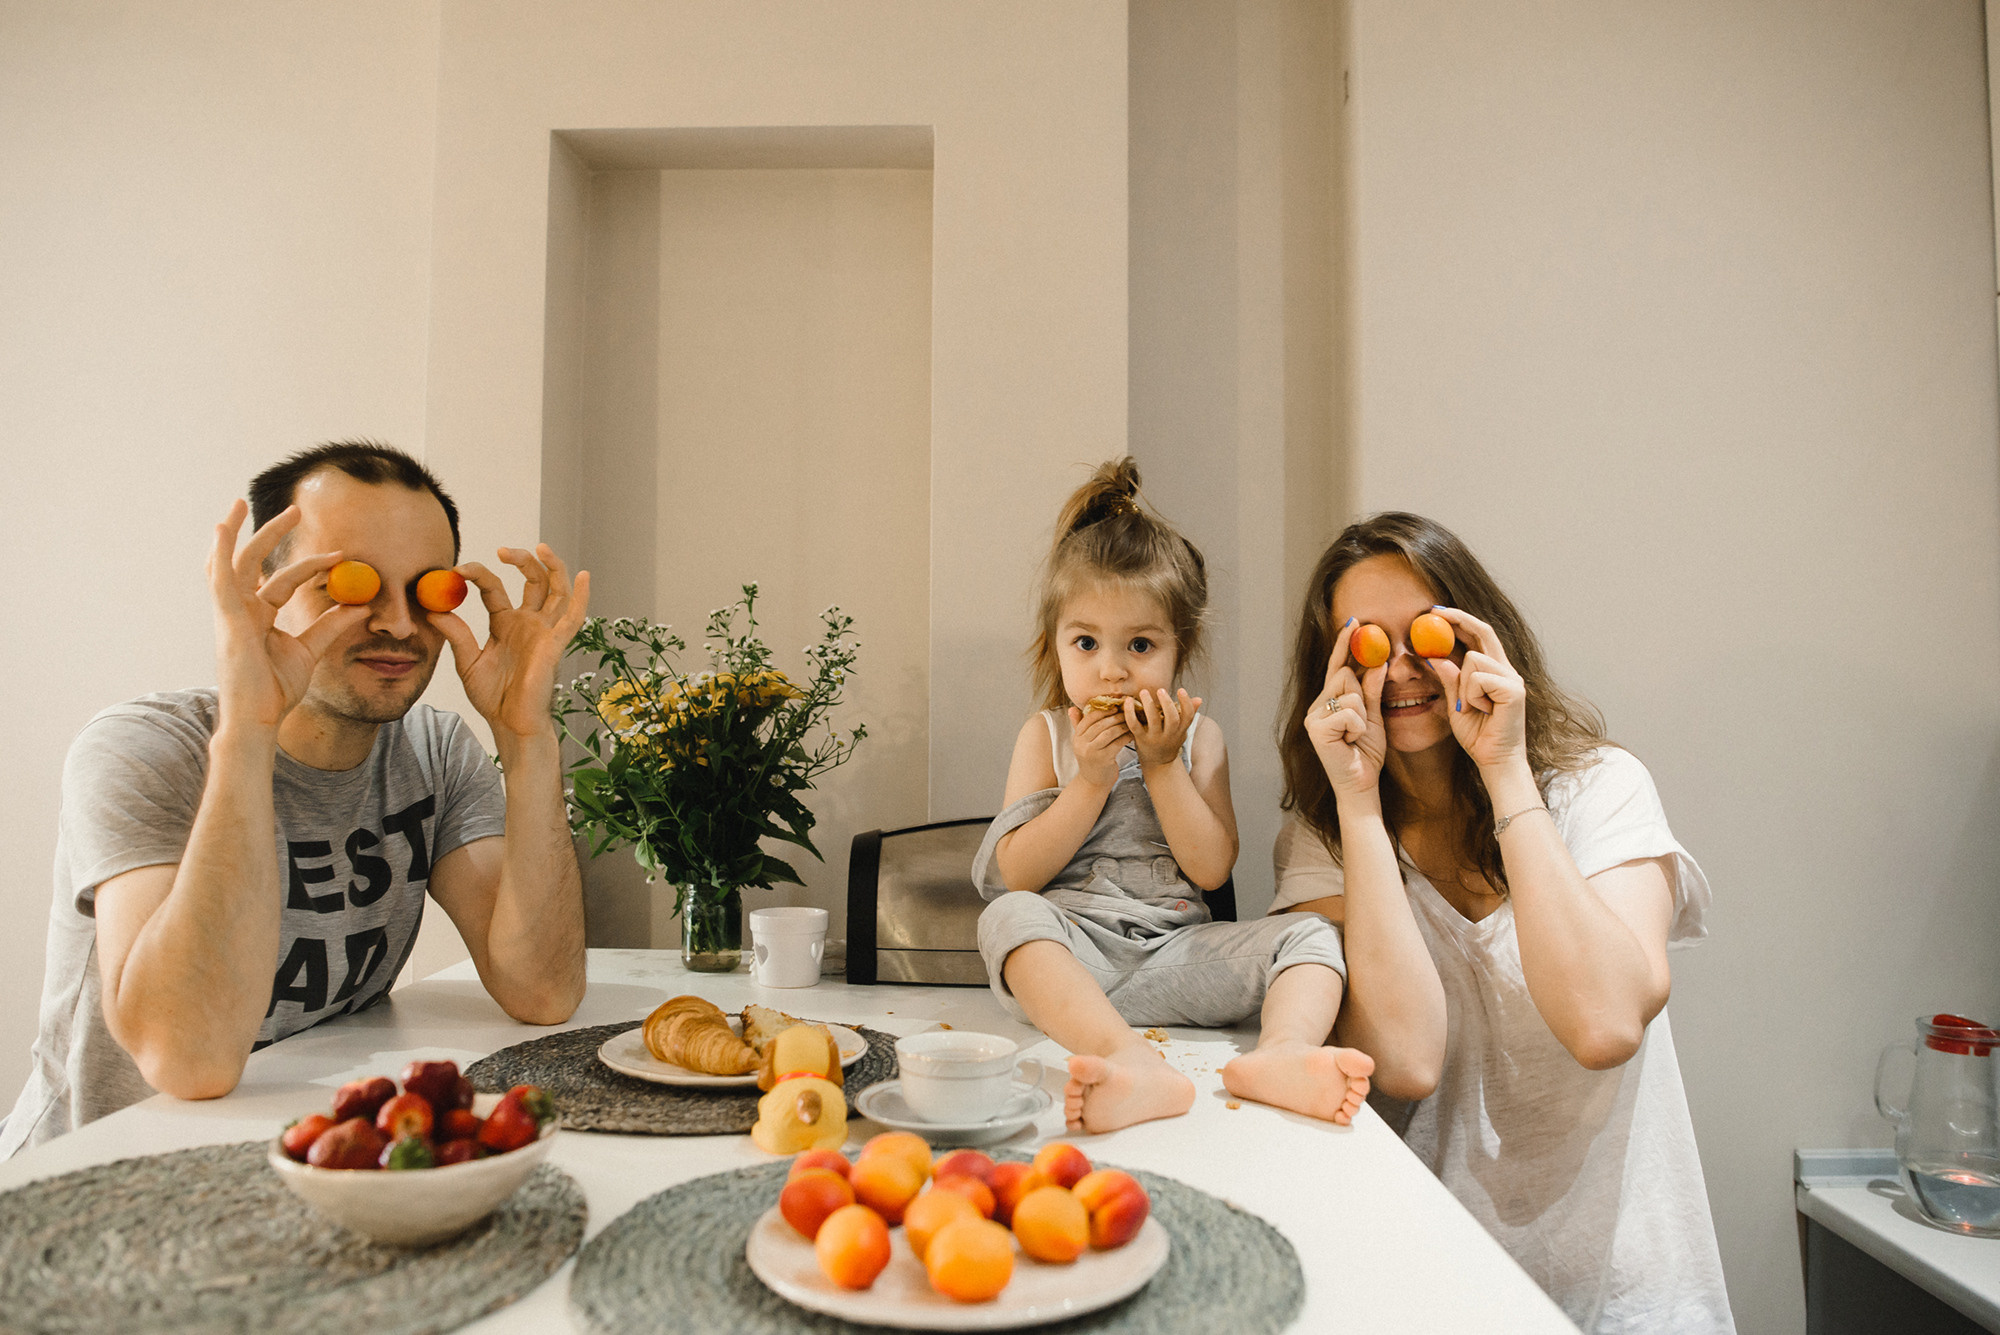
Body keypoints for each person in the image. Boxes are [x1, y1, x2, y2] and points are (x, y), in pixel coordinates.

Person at [2, 441, 591, 1157]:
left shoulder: (434, 753)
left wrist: (528, 740)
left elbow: (542, 989)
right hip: (94, 1179)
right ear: (266, 593)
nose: (400, 624)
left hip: (299, 1164)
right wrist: (249, 728)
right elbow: (190, 1059)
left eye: (428, 589)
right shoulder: (142, 750)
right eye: (351, 585)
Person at [1272, 511, 1733, 1334]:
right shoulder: (1324, 839)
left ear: (1478, 634)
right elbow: (1406, 1059)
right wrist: (1357, 803)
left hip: (1633, 1298)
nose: (1405, 669)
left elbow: (1604, 1023)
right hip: (1432, 1292)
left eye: (1426, 634)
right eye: (1369, 647)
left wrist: (1506, 767)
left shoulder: (1602, 789)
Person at [971, 458, 1372, 1134]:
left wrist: (1162, 765)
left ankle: (1283, 1053)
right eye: (1087, 642)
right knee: (1008, 919)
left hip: (1177, 958)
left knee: (1312, 934)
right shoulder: (1046, 737)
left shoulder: (1199, 739)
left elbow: (1211, 870)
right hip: (1075, 959)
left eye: (1141, 644)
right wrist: (1092, 780)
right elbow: (1018, 873)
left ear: (1178, 651)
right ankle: (1130, 1062)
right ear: (1056, 647)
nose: (1112, 667)